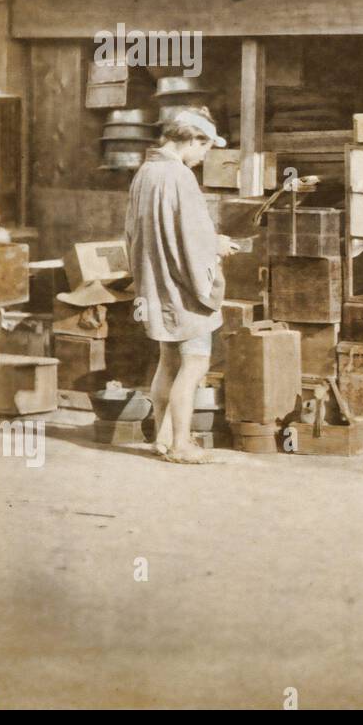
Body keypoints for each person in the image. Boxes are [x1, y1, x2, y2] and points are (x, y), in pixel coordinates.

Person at [126, 106, 234, 465]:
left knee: (168, 360)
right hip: (182, 287)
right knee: (196, 363)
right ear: (192, 139)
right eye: (204, 147)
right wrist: (216, 246)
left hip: (155, 281)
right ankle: (181, 444)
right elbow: (192, 238)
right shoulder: (179, 177)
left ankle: (161, 435)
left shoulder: (146, 171)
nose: (204, 156)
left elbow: (141, 233)